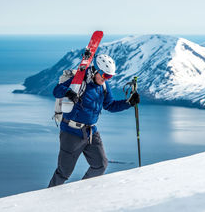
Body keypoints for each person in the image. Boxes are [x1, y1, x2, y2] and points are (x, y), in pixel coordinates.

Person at [48, 54, 140, 187]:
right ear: (96, 70)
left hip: (91, 132)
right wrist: (68, 92)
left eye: (110, 76)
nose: (106, 79)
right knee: (64, 172)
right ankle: (48, 199)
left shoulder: (103, 86)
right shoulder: (80, 80)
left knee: (100, 165)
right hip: (71, 132)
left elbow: (110, 105)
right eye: (105, 75)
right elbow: (57, 91)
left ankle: (81, 191)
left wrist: (129, 103)